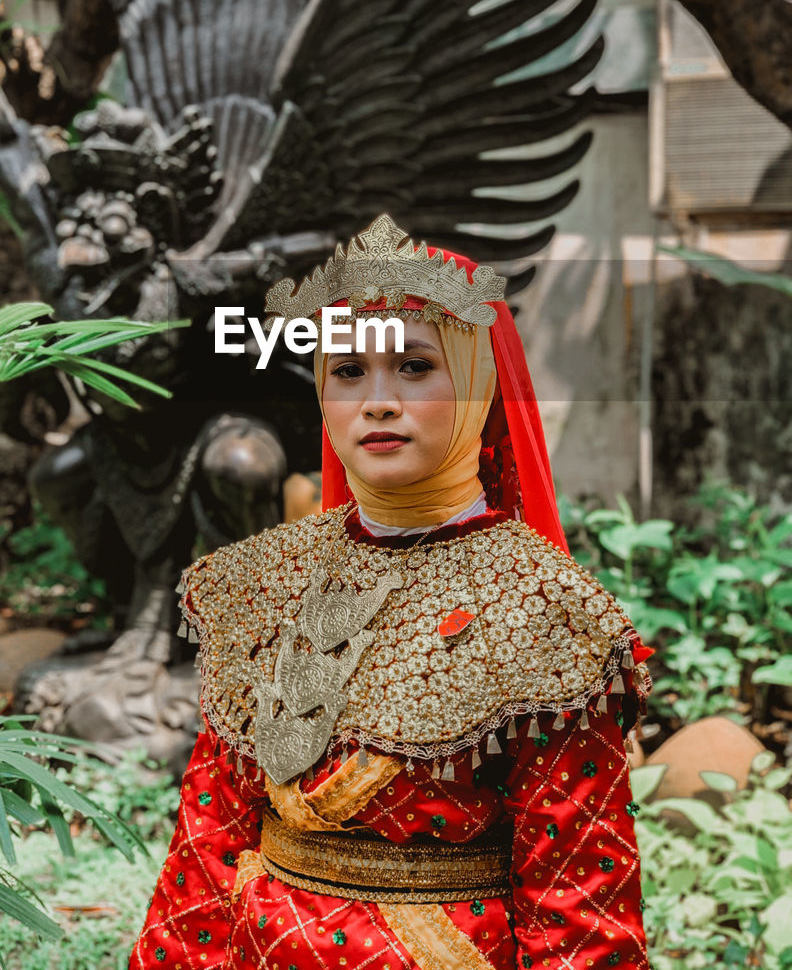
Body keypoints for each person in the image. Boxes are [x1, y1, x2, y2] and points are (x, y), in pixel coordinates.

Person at [129, 214, 654, 970]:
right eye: (348, 372)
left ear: (478, 381)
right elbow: (207, 841)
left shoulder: (547, 616)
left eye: (413, 366)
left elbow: (579, 902)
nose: (376, 400)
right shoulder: (261, 581)